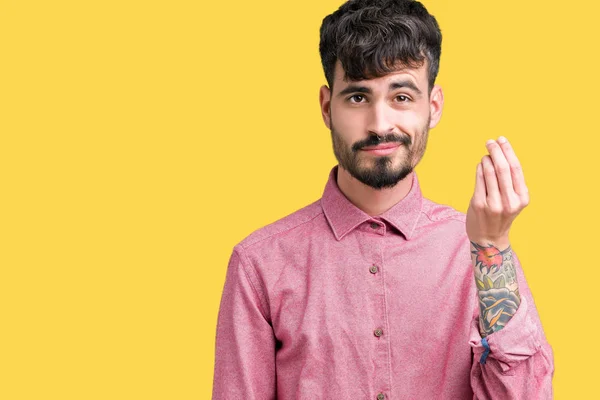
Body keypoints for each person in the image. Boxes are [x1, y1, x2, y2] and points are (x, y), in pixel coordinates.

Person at [211, 0, 554, 398]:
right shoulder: (259, 265)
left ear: (434, 106)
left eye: (402, 97)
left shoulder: (476, 252)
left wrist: (492, 249)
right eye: (358, 97)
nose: (379, 125)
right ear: (326, 106)